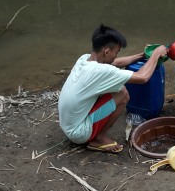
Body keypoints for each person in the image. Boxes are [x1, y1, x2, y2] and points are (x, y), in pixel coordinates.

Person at [58, 24, 168, 153]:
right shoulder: (100, 71)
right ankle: (98, 139)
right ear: (106, 52)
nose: (116, 56)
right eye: (116, 52)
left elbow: (117, 63)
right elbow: (142, 77)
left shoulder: (84, 59)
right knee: (122, 93)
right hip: (79, 133)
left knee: (111, 88)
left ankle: (94, 132)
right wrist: (155, 55)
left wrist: (143, 56)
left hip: (67, 124)